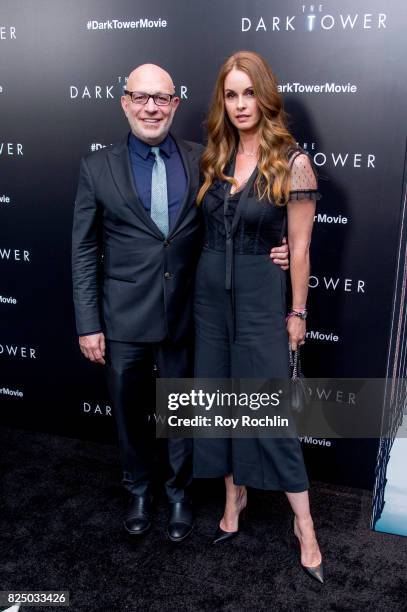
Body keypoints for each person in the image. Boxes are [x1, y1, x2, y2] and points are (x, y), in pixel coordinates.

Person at [71, 63, 289, 542]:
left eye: (162, 98)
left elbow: (238, 217)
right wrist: (89, 324)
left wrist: (280, 242)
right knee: (129, 413)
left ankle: (177, 493)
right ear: (125, 102)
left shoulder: (206, 160)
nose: (151, 107)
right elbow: (84, 252)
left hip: (189, 313)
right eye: (141, 97)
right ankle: (139, 490)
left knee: (183, 411)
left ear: (175, 104)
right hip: (122, 316)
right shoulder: (96, 167)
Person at [193, 51, 324, 582]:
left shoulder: (291, 162)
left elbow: (301, 247)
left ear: (265, 95)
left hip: (259, 299)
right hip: (207, 301)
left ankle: (305, 524)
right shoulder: (215, 155)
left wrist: (297, 311)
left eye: (249, 93)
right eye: (231, 94)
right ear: (222, 101)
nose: (241, 104)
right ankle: (234, 497)